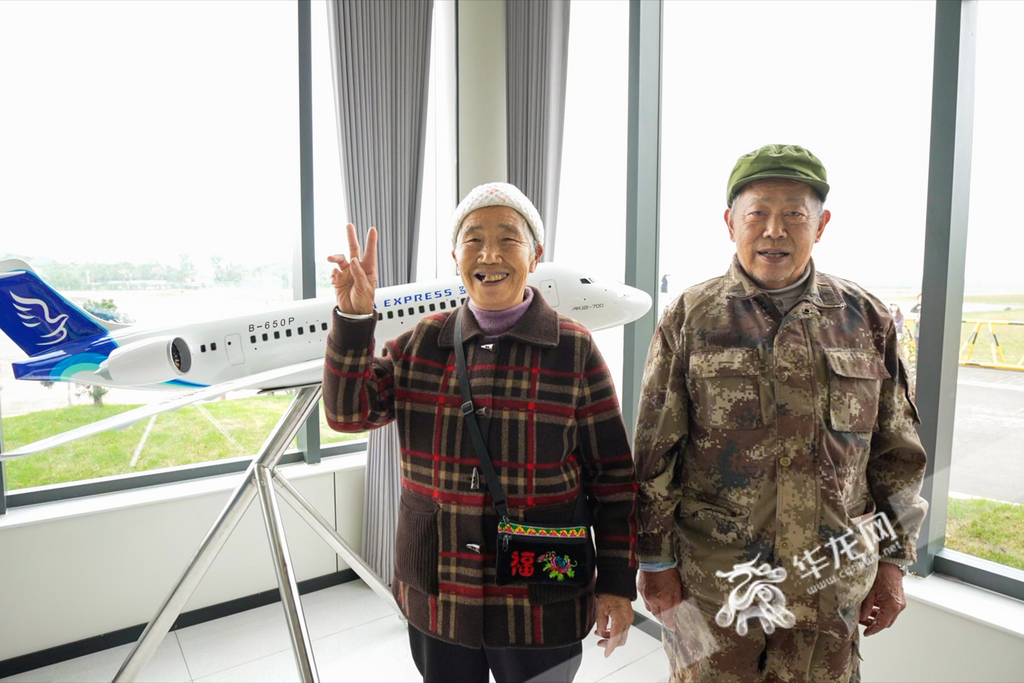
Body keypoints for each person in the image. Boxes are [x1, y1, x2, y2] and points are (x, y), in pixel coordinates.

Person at [633, 145, 928, 682]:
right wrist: (655, 563)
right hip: (715, 586)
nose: (774, 230)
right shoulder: (691, 317)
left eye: (794, 214)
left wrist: (892, 563)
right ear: (730, 223)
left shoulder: (866, 319)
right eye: (757, 213)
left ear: (822, 225)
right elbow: (655, 452)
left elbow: (897, 456)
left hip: (829, 589)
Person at [323, 182, 638, 683]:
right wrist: (355, 318)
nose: (489, 253)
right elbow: (347, 414)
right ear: (455, 257)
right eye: (473, 239)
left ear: (534, 256)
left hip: (541, 599)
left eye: (508, 238)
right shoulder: (422, 343)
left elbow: (614, 482)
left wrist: (618, 585)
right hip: (441, 590)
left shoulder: (573, 350)